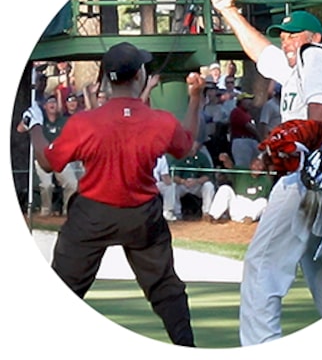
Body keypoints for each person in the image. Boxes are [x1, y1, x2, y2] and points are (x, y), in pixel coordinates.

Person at [20, 41, 204, 346]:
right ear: (140, 76)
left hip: (92, 214)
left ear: (106, 78)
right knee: (165, 288)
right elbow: (186, 147)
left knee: (63, 287)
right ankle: (186, 346)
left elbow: (48, 161)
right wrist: (195, 100)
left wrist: (36, 126)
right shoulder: (159, 121)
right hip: (142, 215)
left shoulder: (85, 122)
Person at [212, 0, 322, 346]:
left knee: (262, 264)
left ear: (316, 38)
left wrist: (300, 139)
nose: (287, 40)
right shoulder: (296, 66)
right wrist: (228, 10)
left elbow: (318, 118)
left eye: (296, 34)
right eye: (284, 34)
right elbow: (261, 51)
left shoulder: (317, 56)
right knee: (317, 266)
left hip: (310, 174)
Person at [17, 94, 78, 216]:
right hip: (42, 158)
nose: (52, 104)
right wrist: (27, 119)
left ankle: (68, 210)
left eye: (54, 102)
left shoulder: (63, 121)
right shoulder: (39, 121)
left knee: (72, 183)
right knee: (46, 185)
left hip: (60, 158)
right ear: (44, 106)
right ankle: (45, 211)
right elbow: (20, 129)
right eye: (49, 102)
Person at [205, 153, 274, 224]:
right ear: (250, 165)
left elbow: (271, 174)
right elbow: (230, 166)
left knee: (263, 201)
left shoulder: (265, 180)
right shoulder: (241, 172)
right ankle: (213, 215)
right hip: (238, 205)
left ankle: (249, 218)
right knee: (225, 188)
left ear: (263, 168)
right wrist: (226, 158)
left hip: (251, 209)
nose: (257, 167)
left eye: (260, 165)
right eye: (255, 164)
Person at [170, 142, 216, 219]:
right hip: (183, 184)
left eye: (193, 150)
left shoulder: (202, 157)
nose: (191, 151)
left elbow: (208, 175)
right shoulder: (180, 156)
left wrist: (197, 181)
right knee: (172, 186)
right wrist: (183, 181)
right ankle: (176, 213)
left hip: (197, 185)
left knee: (209, 186)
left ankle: (207, 213)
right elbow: (173, 175)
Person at [229, 92, 261, 168]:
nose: (250, 102)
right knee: (243, 166)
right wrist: (260, 138)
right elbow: (249, 126)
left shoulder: (247, 114)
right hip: (242, 141)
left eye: (251, 100)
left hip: (251, 140)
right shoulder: (237, 111)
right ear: (241, 101)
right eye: (247, 100)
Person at [153, 155, 178, 221]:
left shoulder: (161, 156)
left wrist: (170, 182)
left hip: (155, 184)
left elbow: (164, 175)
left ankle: (167, 212)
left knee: (171, 186)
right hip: (139, 183)